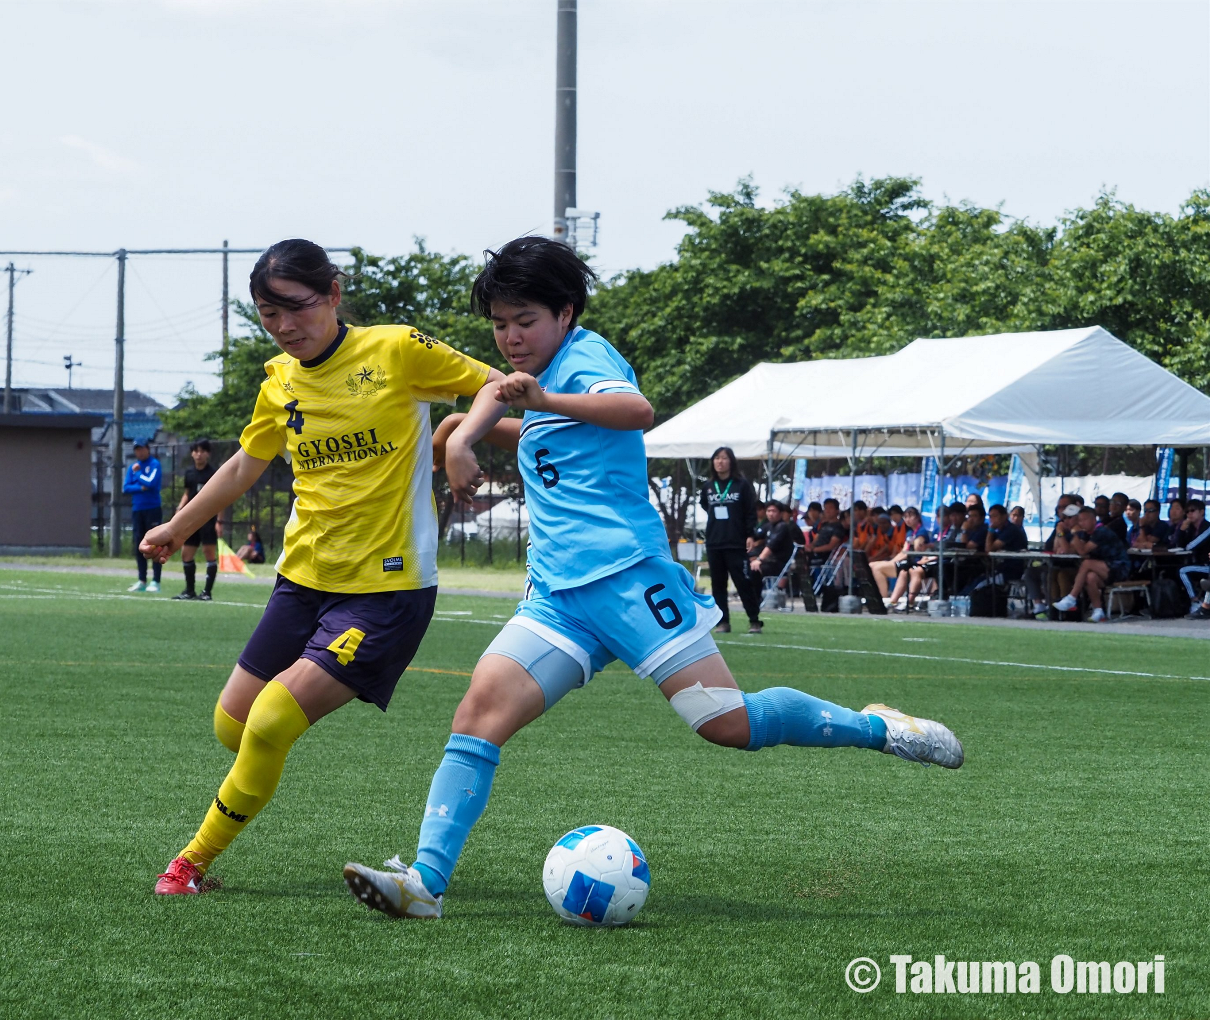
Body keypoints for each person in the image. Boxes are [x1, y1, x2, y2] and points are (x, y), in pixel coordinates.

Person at [340, 236, 963, 920]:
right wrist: (461, 435)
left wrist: (541, 399)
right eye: (499, 324)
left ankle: (878, 727)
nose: (511, 338)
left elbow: (636, 412)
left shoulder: (586, 358)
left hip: (631, 581)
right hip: (559, 599)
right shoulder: (528, 381)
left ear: (567, 313)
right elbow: (495, 400)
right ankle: (424, 883)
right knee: (477, 715)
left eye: (526, 322)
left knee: (725, 723)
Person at [145, 238, 500, 895]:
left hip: (386, 591)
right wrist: (178, 525)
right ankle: (250, 780)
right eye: (267, 314)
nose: (284, 327)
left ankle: (190, 865)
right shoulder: (278, 379)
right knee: (235, 725)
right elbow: (246, 464)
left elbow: (493, 385)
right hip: (301, 580)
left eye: (296, 309)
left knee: (274, 719)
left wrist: (459, 440)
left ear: (334, 294)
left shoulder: (396, 349)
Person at [701, 447, 762, 634]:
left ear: (731, 461)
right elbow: (705, 504)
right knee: (718, 585)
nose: (720, 462)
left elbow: (750, 511)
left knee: (743, 582)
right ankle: (723, 622)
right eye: (717, 458)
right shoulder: (708, 486)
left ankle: (754, 620)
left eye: (724, 458)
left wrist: (750, 534)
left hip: (736, 542)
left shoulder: (741, 485)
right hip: (714, 541)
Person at [1052, 507, 1129, 622]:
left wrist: (1074, 534)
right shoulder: (1084, 534)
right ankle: (1098, 611)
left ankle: (1072, 597)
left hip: (1119, 567)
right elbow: (1073, 550)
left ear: (1094, 520)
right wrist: (1060, 533)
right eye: (1080, 520)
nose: (1081, 523)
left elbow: (1083, 551)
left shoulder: (1101, 532)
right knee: (1090, 577)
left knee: (1087, 563)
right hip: (1104, 569)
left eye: (1084, 520)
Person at [173, 439, 219, 601]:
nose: (199, 454)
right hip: (191, 519)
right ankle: (189, 591)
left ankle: (207, 592)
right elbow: (187, 492)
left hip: (207, 518)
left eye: (202, 451)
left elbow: (220, 498)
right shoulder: (190, 473)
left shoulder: (213, 474)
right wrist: (179, 510)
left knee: (209, 553)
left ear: (208, 453)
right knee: (186, 554)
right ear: (192, 453)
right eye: (196, 451)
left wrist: (219, 521)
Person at [124, 439, 164, 593]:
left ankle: (156, 581)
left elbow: (151, 483)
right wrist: (141, 487)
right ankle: (142, 580)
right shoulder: (132, 467)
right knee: (139, 545)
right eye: (136, 449)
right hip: (137, 509)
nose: (139, 452)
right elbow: (126, 487)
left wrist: (138, 474)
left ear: (147, 449)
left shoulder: (154, 464)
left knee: (155, 544)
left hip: (152, 509)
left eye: (141, 448)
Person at [1173, 499, 1209, 618]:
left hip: (1206, 566)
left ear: (1202, 512)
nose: (1189, 514)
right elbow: (1178, 545)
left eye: (1192, 511)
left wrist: (1184, 534)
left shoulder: (1207, 528)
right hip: (1198, 564)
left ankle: (1195, 601)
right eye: (1187, 512)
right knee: (1175, 570)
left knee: (1183, 571)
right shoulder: (1191, 529)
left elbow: (1191, 546)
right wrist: (1181, 530)